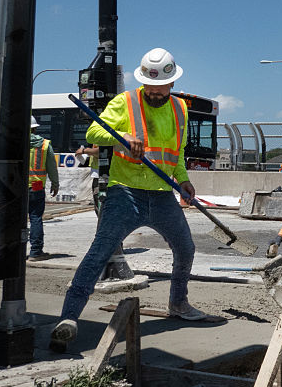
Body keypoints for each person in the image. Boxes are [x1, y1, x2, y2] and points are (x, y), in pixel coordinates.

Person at [50, 47, 207, 352]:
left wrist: (184, 180)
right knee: (100, 252)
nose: (155, 93)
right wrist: (122, 137)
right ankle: (67, 319)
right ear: (142, 81)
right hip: (125, 193)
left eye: (161, 88)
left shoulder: (180, 109)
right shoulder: (126, 102)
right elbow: (95, 132)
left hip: (162, 195)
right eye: (150, 87)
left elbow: (177, 154)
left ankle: (178, 303)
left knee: (186, 247)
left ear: (172, 83)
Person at [27, 115, 59, 261]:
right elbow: (52, 167)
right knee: (35, 218)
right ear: (35, 128)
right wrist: (55, 184)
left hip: (15, 187)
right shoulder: (45, 144)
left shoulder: (13, 142)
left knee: (13, 219)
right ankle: (35, 252)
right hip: (36, 186)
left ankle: (12, 250)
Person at [75, 145, 100, 215]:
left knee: (101, 202)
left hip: (104, 176)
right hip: (98, 175)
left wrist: (85, 151)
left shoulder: (104, 136)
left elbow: (101, 151)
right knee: (98, 203)